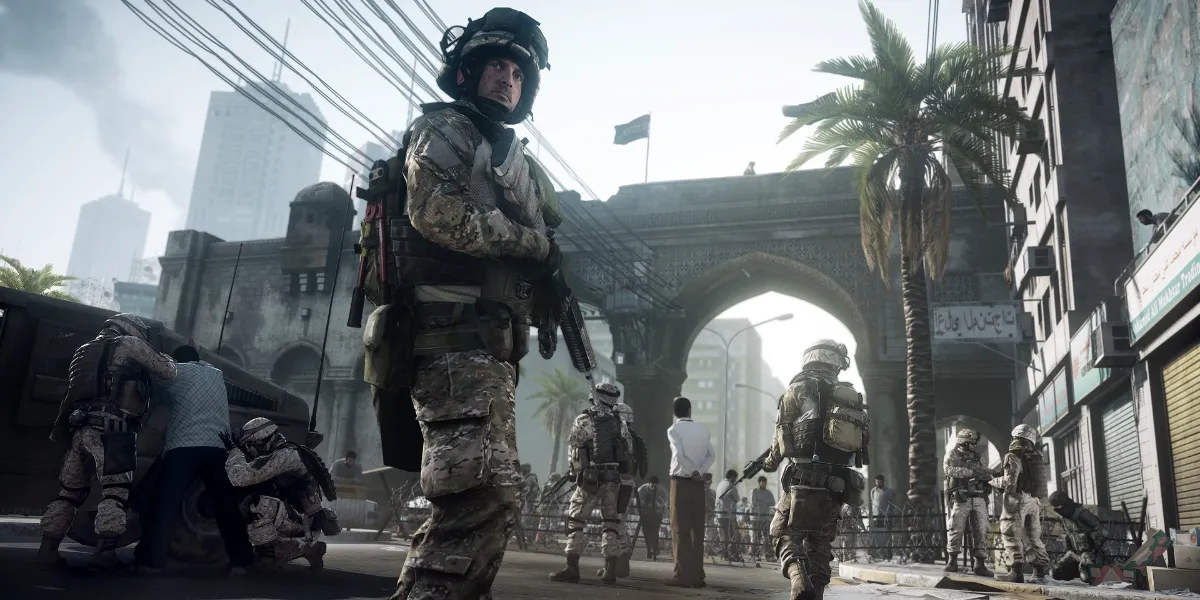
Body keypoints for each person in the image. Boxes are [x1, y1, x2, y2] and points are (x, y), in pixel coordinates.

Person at [374, 8, 555, 600]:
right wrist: (532, 243)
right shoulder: (446, 130)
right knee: (478, 497)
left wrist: (550, 275)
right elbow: (438, 215)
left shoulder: (513, 155)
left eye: (518, 73)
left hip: (488, 352)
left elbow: (543, 239)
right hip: (448, 341)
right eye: (497, 66)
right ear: (468, 73)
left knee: (489, 503)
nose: (507, 79)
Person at [39, 313, 179, 570]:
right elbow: (168, 372)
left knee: (69, 494)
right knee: (115, 493)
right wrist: (168, 358)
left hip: (80, 430)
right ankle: (105, 553)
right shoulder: (130, 344)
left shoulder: (84, 350)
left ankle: (48, 549)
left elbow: (74, 394)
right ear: (132, 329)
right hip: (112, 431)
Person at [762, 339, 869, 600]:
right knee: (820, 543)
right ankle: (817, 593)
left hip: (802, 477)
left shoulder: (797, 389)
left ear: (810, 359)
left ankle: (799, 580)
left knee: (784, 534)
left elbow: (782, 439)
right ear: (835, 364)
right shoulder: (848, 396)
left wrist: (769, 463)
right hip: (837, 482)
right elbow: (863, 442)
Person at [133, 345, 253, 575]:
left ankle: (151, 562)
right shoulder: (215, 373)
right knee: (226, 506)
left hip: (184, 446)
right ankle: (242, 562)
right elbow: (199, 364)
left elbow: (155, 380)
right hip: (218, 447)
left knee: (166, 504)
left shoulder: (176, 372)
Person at [223, 417, 339, 570]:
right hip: (297, 520)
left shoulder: (285, 456)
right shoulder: (287, 452)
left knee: (254, 505)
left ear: (266, 439)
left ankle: (274, 553)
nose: (250, 451)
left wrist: (234, 452)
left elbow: (239, 477)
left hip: (302, 524)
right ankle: (278, 549)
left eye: (251, 445)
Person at [548, 382, 630, 585]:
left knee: (576, 519)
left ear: (594, 397)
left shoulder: (584, 419)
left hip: (591, 477)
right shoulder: (620, 421)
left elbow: (574, 445)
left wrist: (573, 471)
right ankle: (610, 570)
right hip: (613, 478)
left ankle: (572, 567)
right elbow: (627, 448)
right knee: (610, 522)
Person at [989, 424, 1050, 583]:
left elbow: (1010, 483)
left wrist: (993, 481)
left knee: (1011, 532)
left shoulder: (1012, 456)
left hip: (1016, 500)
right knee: (1033, 536)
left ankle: (1016, 573)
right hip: (1034, 500)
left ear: (1016, 437)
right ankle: (1039, 573)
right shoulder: (1036, 456)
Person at [665, 396, 716, 588]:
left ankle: (681, 576)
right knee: (697, 529)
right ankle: (697, 576)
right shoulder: (703, 430)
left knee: (680, 529)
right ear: (690, 411)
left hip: (680, 483)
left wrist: (692, 470)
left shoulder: (673, 430)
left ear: (674, 412)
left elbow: (679, 455)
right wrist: (701, 471)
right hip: (698, 486)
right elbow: (712, 454)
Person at [943, 429, 994, 576]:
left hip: (978, 497)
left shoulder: (978, 457)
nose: (975, 444)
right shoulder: (952, 454)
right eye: (972, 442)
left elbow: (983, 471)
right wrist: (971, 473)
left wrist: (988, 475)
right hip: (961, 496)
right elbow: (949, 470)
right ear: (963, 441)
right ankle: (952, 561)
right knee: (955, 528)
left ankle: (980, 564)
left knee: (982, 529)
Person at [610, 400, 646, 579]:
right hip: (628, 482)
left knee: (614, 521)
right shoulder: (636, 438)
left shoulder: (620, 434)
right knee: (619, 520)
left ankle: (619, 563)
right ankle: (619, 564)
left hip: (617, 482)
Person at [1048, 491, 1106, 583]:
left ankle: (1087, 570)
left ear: (1064, 503)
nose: (1056, 509)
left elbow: (1102, 531)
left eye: (1058, 506)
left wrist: (1095, 547)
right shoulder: (1063, 518)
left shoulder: (1081, 513)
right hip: (1073, 554)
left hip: (1089, 554)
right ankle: (1077, 571)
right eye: (1054, 507)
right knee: (1055, 572)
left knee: (1086, 576)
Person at [637, 475, 668, 560]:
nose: (654, 488)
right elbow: (638, 502)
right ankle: (649, 549)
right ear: (649, 484)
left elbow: (664, 503)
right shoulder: (642, 490)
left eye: (655, 486)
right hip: (645, 514)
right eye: (652, 486)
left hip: (657, 514)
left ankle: (654, 548)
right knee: (646, 532)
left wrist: (660, 510)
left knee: (655, 531)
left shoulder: (662, 491)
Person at [715, 469, 742, 560]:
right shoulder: (731, 485)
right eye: (735, 478)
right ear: (732, 477)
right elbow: (737, 499)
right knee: (733, 534)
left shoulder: (720, 484)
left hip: (720, 513)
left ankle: (725, 553)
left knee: (724, 534)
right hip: (729, 514)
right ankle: (733, 554)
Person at [868, 475, 895, 561]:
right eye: (876, 482)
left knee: (887, 536)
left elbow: (891, 504)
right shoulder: (873, 491)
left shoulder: (888, 491)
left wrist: (888, 513)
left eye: (879, 482)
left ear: (883, 482)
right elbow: (873, 503)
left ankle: (889, 554)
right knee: (877, 537)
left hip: (886, 517)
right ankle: (881, 554)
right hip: (876, 517)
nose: (877, 483)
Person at [749, 476, 776, 560]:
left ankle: (768, 555)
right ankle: (755, 555)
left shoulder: (768, 492)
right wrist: (764, 503)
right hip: (756, 517)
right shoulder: (754, 491)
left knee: (767, 537)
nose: (764, 484)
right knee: (756, 537)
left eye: (765, 483)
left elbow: (773, 502)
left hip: (765, 518)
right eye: (763, 483)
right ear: (759, 482)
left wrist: (762, 502)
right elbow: (753, 502)